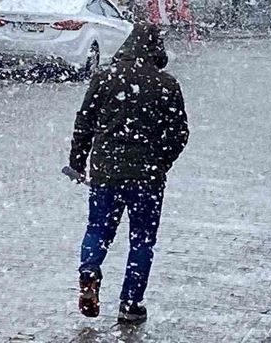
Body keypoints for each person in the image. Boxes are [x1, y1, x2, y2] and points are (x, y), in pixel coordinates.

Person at [67, 24, 189, 325]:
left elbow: (84, 123)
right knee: (142, 241)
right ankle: (131, 304)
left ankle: (89, 270)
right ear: (156, 50)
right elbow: (179, 133)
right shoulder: (166, 84)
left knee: (98, 229)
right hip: (147, 177)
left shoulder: (104, 78)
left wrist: (78, 162)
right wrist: (161, 162)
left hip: (106, 172)